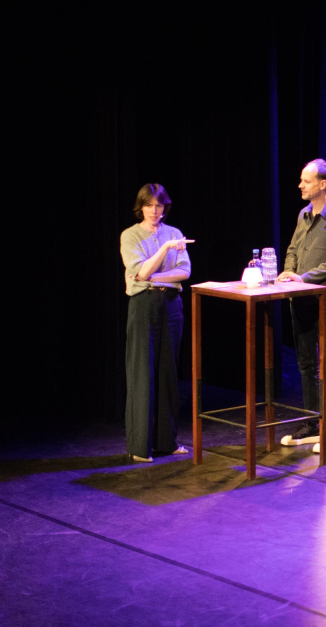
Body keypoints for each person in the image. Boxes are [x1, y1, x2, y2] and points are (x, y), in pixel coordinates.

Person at [278, 159, 326, 454]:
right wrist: (289, 272)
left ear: (323, 184)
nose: (300, 185)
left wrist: (304, 278)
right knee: (306, 364)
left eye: (306, 181)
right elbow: (293, 249)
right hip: (301, 298)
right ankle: (313, 424)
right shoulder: (304, 214)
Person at [120, 183, 193, 463]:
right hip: (144, 305)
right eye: (149, 205)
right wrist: (163, 250)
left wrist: (152, 277)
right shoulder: (130, 235)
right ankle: (140, 447)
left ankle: (167, 442)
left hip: (171, 305)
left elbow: (184, 271)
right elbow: (139, 270)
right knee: (143, 373)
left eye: (159, 205)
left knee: (168, 373)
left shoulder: (174, 233)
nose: (154, 211)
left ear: (165, 207)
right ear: (141, 207)